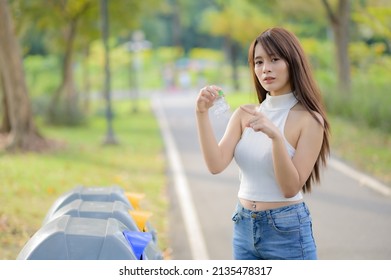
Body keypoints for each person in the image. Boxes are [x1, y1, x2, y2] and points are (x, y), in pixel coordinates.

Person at [195, 27, 330, 260]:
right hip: (243, 226)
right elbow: (215, 164)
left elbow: (290, 188)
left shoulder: (310, 120)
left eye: (274, 59)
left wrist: (276, 138)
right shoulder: (244, 114)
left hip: (286, 231)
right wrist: (201, 113)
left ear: (292, 62)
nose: (265, 68)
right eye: (258, 62)